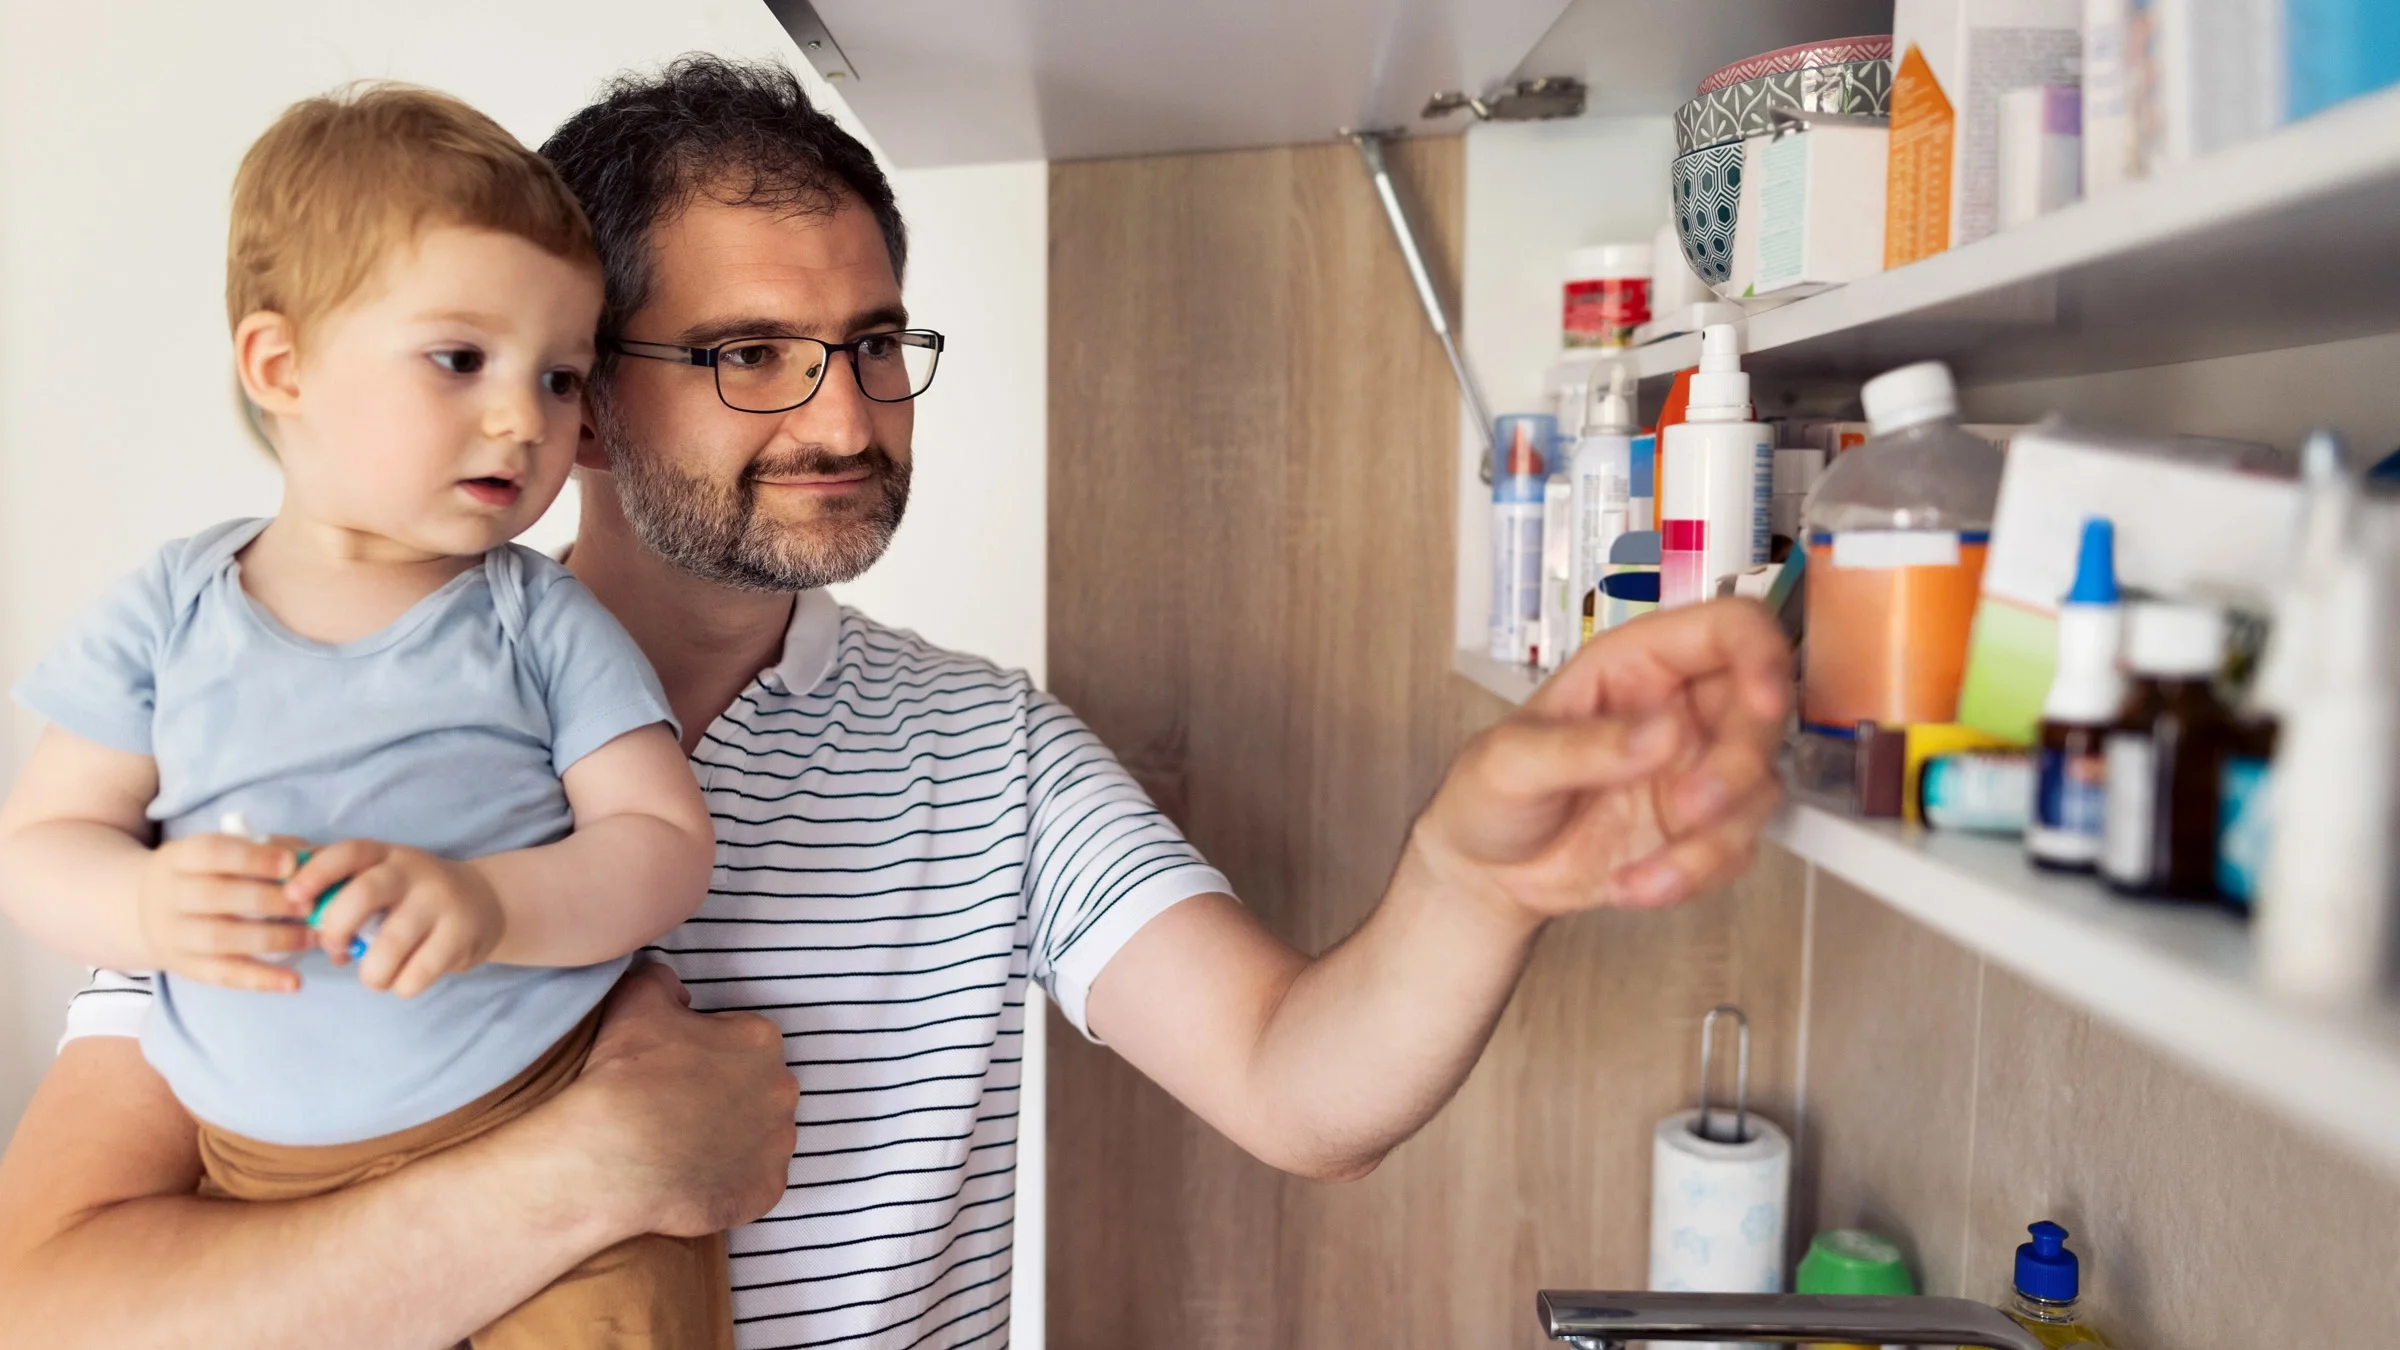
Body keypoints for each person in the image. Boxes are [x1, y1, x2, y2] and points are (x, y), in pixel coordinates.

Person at [0, 56, 1792, 1350]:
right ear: (583, 404)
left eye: (873, 343)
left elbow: (1302, 1089)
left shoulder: (985, 751)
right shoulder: (295, 708)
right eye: (750, 356)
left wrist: (1475, 877)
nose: (849, 415)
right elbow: (56, 1306)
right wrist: (585, 1173)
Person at [0, 85, 731, 1347]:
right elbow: (43, 841)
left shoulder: (535, 620)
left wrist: (493, 903)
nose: (526, 418)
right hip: (253, 1182)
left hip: (541, 1109)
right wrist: (139, 907)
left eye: (561, 378)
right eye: (461, 359)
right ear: (279, 366)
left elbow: (662, 849)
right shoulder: (170, 613)